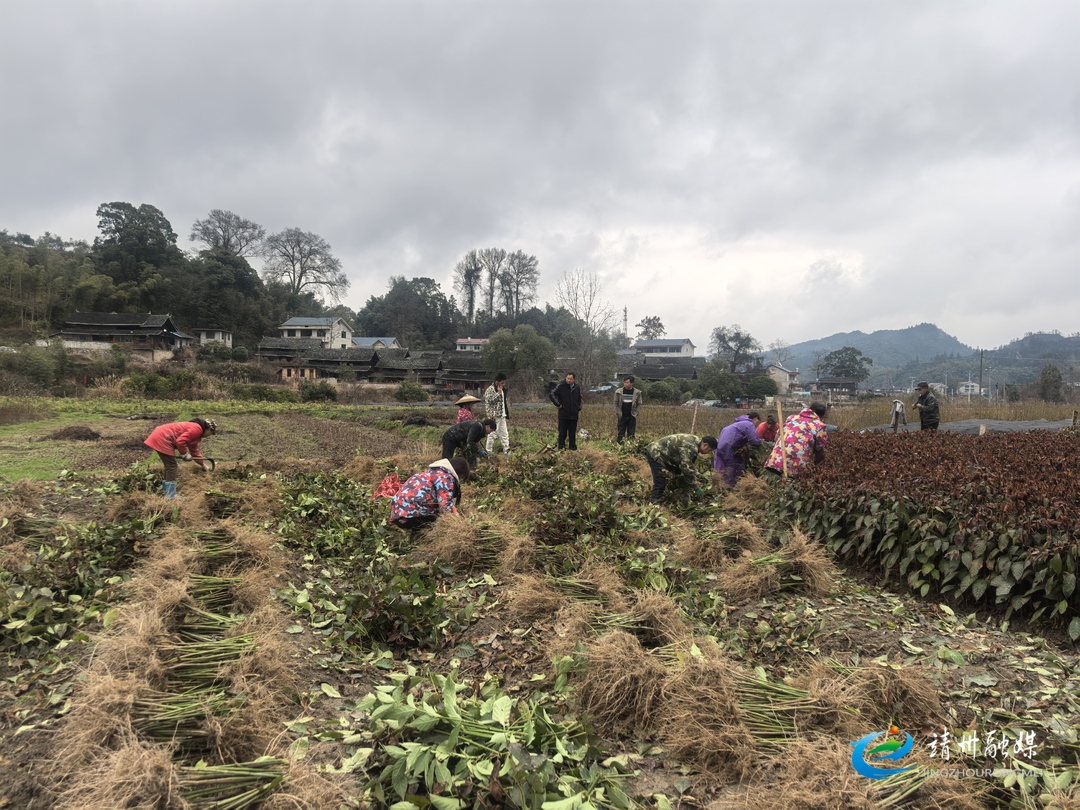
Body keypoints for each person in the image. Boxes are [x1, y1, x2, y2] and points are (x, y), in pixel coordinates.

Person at [389, 457, 471, 531]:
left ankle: (417, 535)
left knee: (429, 513)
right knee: (438, 517)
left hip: (397, 514)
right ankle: (430, 538)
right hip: (412, 514)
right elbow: (445, 504)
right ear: (459, 473)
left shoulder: (430, 473)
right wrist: (459, 521)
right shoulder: (445, 477)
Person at [144, 418, 217, 499]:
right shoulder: (197, 429)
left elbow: (194, 450)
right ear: (208, 429)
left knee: (169, 466)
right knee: (172, 466)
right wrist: (184, 454)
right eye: (211, 433)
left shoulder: (196, 431)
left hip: (160, 435)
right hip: (163, 438)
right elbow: (180, 441)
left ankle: (166, 491)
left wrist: (203, 464)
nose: (210, 435)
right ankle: (171, 496)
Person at [644, 434, 718, 503]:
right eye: (709, 450)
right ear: (705, 445)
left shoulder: (696, 442)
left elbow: (688, 463)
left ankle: (684, 500)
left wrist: (697, 474)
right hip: (655, 453)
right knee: (660, 480)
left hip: (668, 455)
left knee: (681, 476)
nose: (708, 452)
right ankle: (654, 502)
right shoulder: (690, 447)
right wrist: (696, 488)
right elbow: (686, 469)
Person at [765, 402, 828, 477]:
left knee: (777, 483)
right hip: (796, 466)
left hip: (775, 461)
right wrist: (817, 467)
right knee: (792, 483)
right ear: (822, 416)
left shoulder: (791, 418)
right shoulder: (819, 425)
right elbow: (820, 449)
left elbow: (777, 436)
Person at [714, 411, 762, 488]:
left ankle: (718, 484)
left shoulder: (739, 423)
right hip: (730, 445)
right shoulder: (749, 424)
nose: (756, 426)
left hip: (721, 443)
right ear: (756, 419)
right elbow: (755, 441)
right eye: (758, 423)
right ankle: (729, 487)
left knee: (722, 466)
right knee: (733, 465)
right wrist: (761, 443)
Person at [551, 372, 584, 450]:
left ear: (574, 379)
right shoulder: (561, 386)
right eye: (567, 378)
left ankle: (572, 449)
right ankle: (561, 449)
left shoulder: (577, 388)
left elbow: (580, 398)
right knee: (562, 433)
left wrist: (579, 407)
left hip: (574, 415)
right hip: (563, 414)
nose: (569, 380)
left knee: (572, 434)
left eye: (570, 379)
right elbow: (552, 394)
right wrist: (558, 404)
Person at [483, 374, 510, 456]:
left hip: (502, 415)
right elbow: (490, 401)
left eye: (504, 383)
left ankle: (506, 453)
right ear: (497, 382)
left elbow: (503, 402)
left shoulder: (503, 389)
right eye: (502, 383)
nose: (503, 384)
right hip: (494, 416)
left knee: (504, 434)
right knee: (492, 434)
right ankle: (488, 452)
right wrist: (498, 393)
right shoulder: (490, 390)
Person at [613, 375, 642, 444]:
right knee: (620, 434)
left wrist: (636, 413)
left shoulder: (637, 392)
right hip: (622, 416)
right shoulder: (618, 392)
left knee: (631, 435)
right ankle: (619, 447)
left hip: (631, 416)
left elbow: (639, 403)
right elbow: (615, 403)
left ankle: (630, 448)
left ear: (631, 383)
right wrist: (618, 413)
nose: (626, 384)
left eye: (627, 382)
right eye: (625, 382)